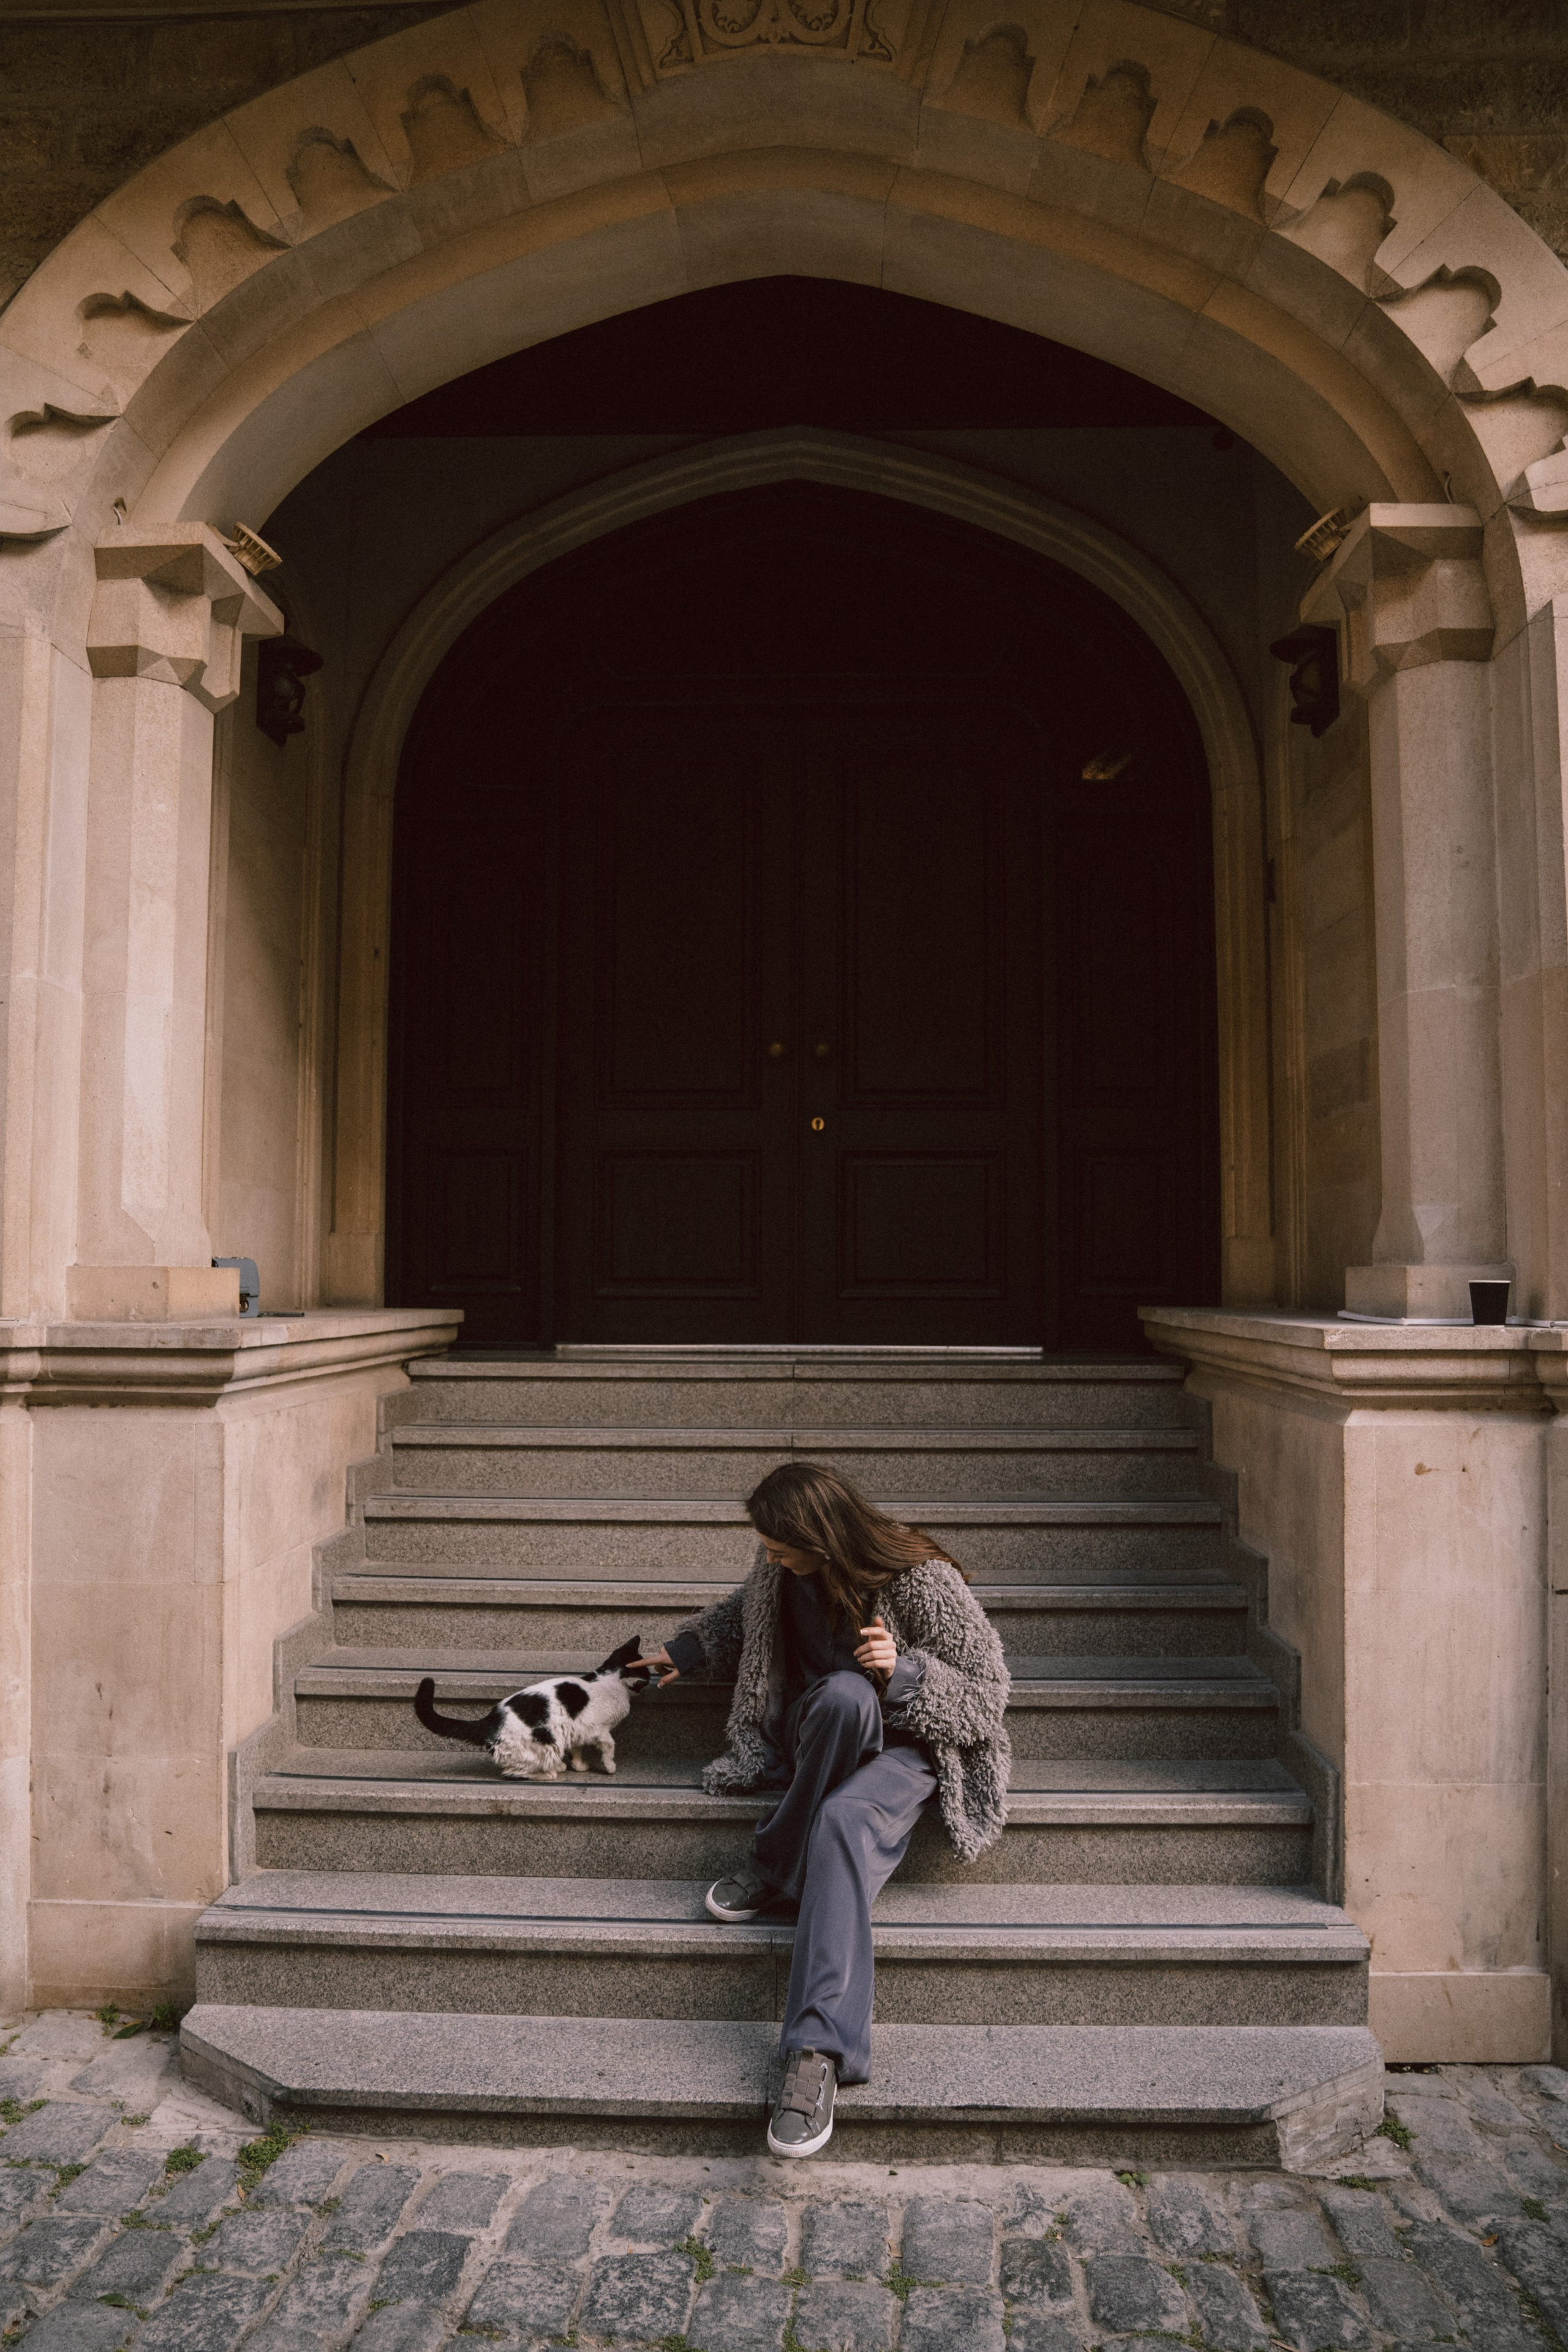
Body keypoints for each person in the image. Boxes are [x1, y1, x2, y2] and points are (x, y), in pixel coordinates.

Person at [633, 1461, 1010, 2158]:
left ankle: (816, 2056)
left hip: (907, 1753)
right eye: (767, 1551)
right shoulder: (778, 1568)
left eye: (781, 1550)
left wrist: (905, 1674)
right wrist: (683, 1652)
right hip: (827, 1732)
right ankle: (786, 1866)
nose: (770, 1561)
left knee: (843, 1807)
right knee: (841, 1698)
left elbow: (987, 1696)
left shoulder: (920, 1579)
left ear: (822, 1538)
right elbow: (739, 1615)